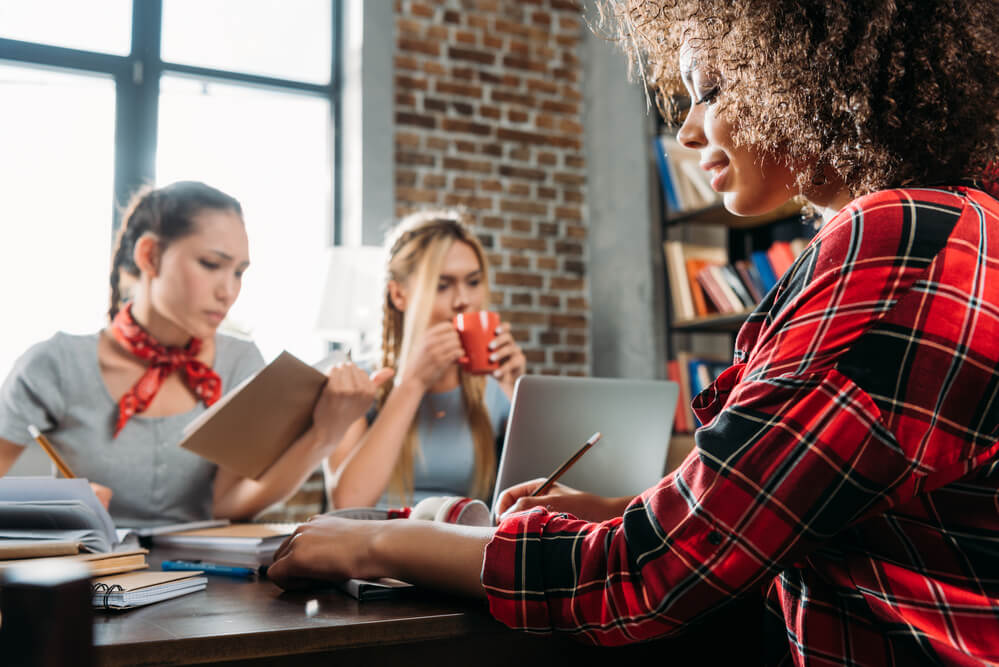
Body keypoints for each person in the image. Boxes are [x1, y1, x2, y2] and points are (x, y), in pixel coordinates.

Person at [268, 1, 999, 664]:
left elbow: (644, 577)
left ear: (807, 76)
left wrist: (374, 541)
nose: (684, 129)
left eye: (707, 88)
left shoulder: (902, 238)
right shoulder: (965, 229)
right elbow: (820, 519)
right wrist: (630, 511)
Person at [0, 181, 389, 526]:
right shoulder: (55, 363)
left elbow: (228, 503)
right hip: (86, 581)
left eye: (239, 272)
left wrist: (326, 434)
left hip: (205, 585)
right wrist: (57, 503)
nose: (229, 291)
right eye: (211, 264)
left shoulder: (240, 362)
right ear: (150, 256)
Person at [323, 210, 525, 509]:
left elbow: (542, 497)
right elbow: (347, 503)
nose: (462, 301)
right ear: (398, 295)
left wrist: (516, 391)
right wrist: (411, 384)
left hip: (456, 544)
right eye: (442, 285)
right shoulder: (359, 382)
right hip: (372, 541)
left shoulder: (492, 388)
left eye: (473, 282)